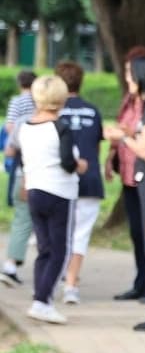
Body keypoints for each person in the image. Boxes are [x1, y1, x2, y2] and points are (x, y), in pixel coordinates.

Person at [15, 75, 87, 324]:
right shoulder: (61, 127)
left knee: (44, 249)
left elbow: (24, 159)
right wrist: (80, 165)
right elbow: (67, 163)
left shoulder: (25, 127)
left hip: (34, 190)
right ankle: (42, 301)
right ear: (62, 97)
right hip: (59, 193)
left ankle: (40, 297)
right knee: (59, 251)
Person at [106, 46, 145, 302]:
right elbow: (122, 129)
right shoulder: (129, 101)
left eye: (130, 73)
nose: (128, 78)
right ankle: (141, 282)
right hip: (128, 174)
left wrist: (124, 136)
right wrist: (110, 158)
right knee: (136, 233)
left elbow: (142, 139)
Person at [53, 61, 105, 305]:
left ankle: (54, 281)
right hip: (90, 180)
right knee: (81, 235)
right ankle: (71, 285)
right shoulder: (93, 111)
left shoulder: (53, 113)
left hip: (60, 181)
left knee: (60, 233)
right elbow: (95, 147)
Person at [2, 69, 38, 287]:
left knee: (22, 217)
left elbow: (9, 128)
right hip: (39, 172)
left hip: (22, 164)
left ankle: (11, 264)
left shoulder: (17, 104)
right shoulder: (41, 106)